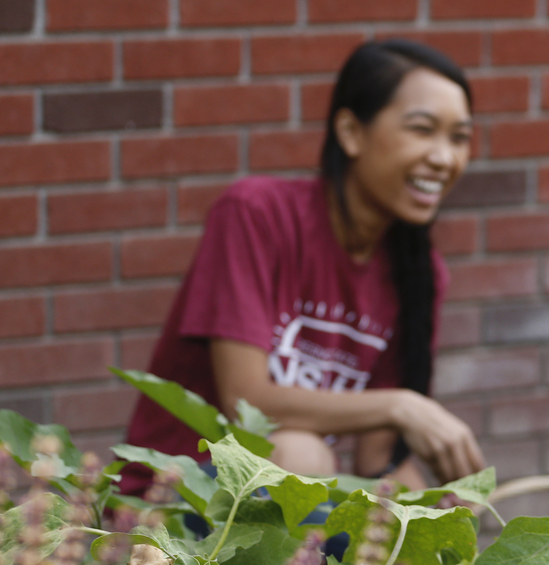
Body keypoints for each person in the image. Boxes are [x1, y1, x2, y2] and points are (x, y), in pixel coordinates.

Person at [121, 39, 485, 494]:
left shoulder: (419, 271)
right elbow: (247, 401)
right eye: (422, 129)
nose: (444, 157)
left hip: (300, 512)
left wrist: (447, 518)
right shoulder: (256, 213)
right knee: (299, 451)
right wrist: (402, 406)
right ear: (351, 132)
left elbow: (377, 464)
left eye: (459, 138)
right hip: (180, 504)